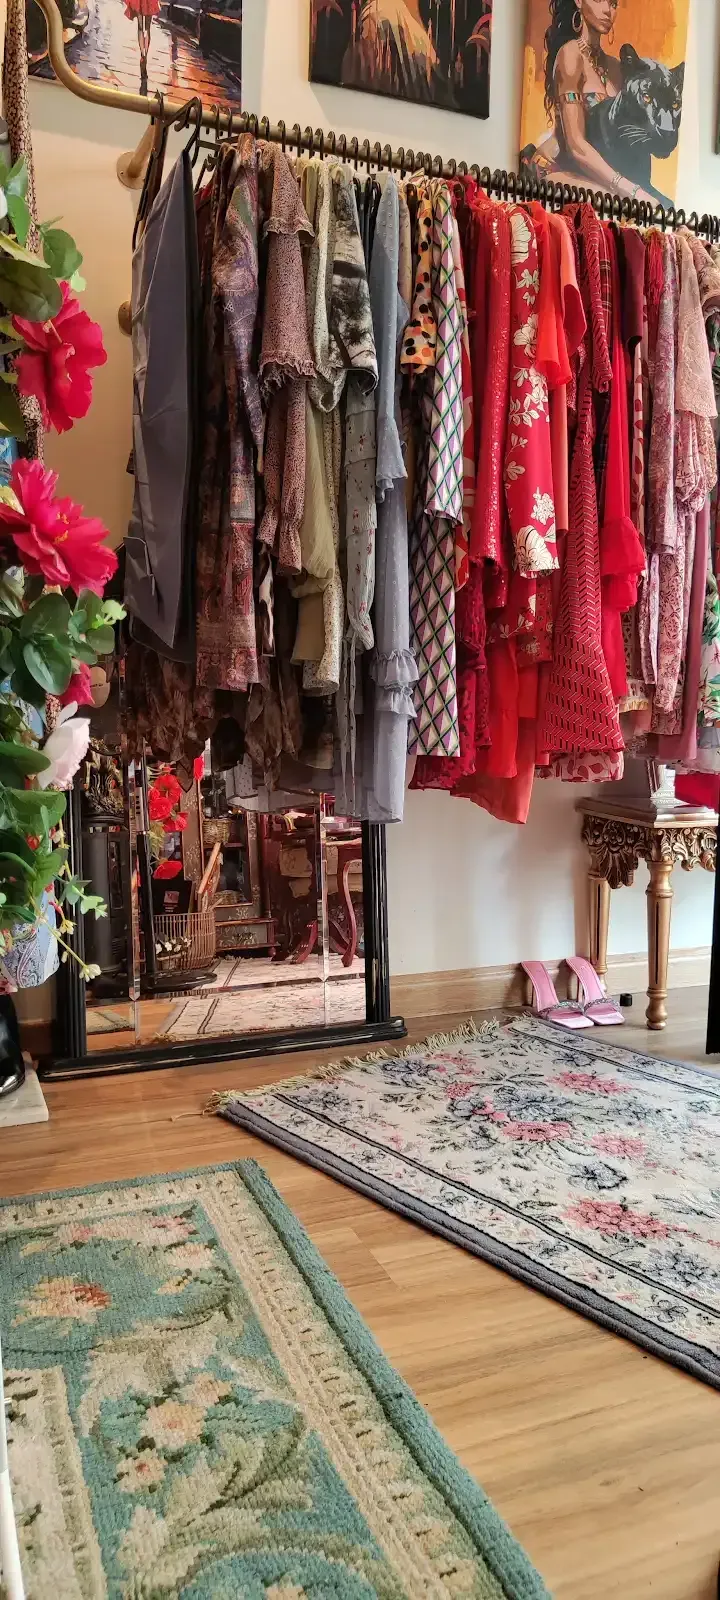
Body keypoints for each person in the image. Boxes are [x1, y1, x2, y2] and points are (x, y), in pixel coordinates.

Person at [521, 0, 656, 205]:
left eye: (613, 4)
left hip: (594, 175)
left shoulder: (616, 67)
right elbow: (576, 146)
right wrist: (630, 189)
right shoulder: (570, 55)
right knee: (619, 202)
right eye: (599, 0)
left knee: (654, 206)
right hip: (556, 168)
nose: (607, 10)